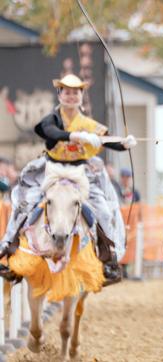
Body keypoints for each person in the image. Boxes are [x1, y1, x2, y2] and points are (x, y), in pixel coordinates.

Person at [0, 74, 137, 285]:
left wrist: (124, 143)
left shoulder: (88, 124)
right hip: (51, 170)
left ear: (81, 95)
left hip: (80, 174)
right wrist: (75, 136)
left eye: (75, 92)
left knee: (104, 209)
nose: (71, 96)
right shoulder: (53, 118)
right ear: (59, 94)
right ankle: (8, 247)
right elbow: (49, 131)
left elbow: (107, 140)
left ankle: (108, 258)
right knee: (24, 204)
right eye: (67, 92)